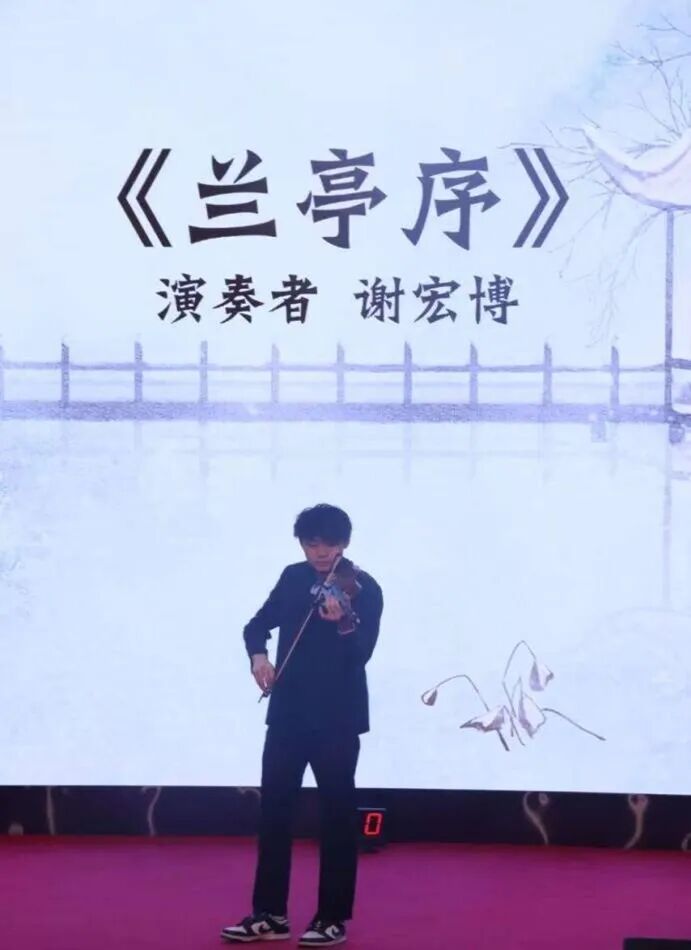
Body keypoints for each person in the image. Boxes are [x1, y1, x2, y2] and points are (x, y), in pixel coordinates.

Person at [221, 503, 384, 947]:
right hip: (288, 714)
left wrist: (343, 623)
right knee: (274, 812)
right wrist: (259, 656)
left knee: (336, 816)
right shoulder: (293, 578)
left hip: (337, 718)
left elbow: (361, 654)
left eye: (330, 543)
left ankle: (331, 918)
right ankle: (270, 914)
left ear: (344, 543)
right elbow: (256, 625)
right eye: (312, 544)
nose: (321, 552)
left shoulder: (365, 589)